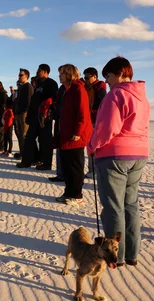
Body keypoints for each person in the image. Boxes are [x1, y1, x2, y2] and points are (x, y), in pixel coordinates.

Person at [87, 57, 150, 266]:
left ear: (122, 73)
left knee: (114, 206)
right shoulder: (142, 97)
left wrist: (92, 145)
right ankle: (132, 252)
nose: (108, 81)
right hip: (138, 154)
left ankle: (117, 256)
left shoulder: (116, 94)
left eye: (109, 76)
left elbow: (107, 128)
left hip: (114, 155)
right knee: (130, 204)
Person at [56, 64, 92, 206]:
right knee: (66, 165)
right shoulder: (66, 90)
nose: (60, 75)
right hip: (65, 132)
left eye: (62, 73)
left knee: (74, 166)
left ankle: (77, 195)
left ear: (69, 74)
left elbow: (83, 112)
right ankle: (68, 192)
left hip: (75, 135)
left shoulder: (78, 89)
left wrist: (78, 131)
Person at [17, 64, 58, 170]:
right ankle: (27, 161)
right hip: (34, 117)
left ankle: (46, 163)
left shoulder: (51, 84)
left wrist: (48, 113)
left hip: (45, 118)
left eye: (39, 71)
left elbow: (53, 101)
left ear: (45, 72)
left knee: (45, 141)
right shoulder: (38, 85)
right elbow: (33, 101)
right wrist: (29, 116)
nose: (37, 72)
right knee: (29, 138)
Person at [83, 67, 108, 178]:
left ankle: (93, 171)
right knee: (91, 146)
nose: (86, 79)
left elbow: (103, 103)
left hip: (95, 121)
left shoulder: (100, 88)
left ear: (94, 76)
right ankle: (92, 170)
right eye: (84, 77)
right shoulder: (88, 87)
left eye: (87, 77)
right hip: (89, 120)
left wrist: (95, 113)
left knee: (93, 146)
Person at [48, 83, 67, 182]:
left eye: (62, 74)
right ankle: (60, 174)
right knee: (59, 147)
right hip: (59, 120)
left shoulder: (75, 89)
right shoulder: (61, 88)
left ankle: (65, 176)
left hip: (66, 122)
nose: (60, 76)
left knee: (67, 151)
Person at [13, 69, 33, 159]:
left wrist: (26, 112)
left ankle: (26, 155)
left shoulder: (28, 86)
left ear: (26, 76)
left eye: (21, 75)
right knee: (20, 134)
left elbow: (29, 101)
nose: (19, 77)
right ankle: (22, 153)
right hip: (18, 113)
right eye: (19, 75)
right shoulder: (21, 87)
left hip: (24, 113)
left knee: (24, 135)